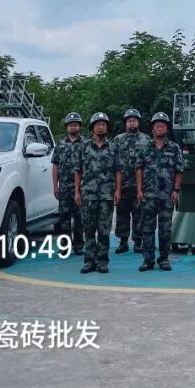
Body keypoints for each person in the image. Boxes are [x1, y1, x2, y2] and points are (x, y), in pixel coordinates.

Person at [136, 111, 185, 272]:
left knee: (165, 231)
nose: (159, 128)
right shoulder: (145, 147)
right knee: (147, 230)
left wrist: (176, 190)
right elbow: (139, 169)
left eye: (162, 126)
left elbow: (179, 170)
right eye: (157, 126)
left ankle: (164, 259)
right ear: (153, 129)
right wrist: (139, 190)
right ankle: (148, 260)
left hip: (167, 196)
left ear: (167, 129)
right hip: (148, 195)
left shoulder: (174, 148)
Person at [74, 112, 121, 274]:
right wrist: (77, 191)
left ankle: (102, 261)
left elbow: (118, 170)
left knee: (104, 229)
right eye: (98, 124)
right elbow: (78, 171)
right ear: (92, 127)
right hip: (88, 194)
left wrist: (118, 190)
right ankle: (89, 261)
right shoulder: (84, 147)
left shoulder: (113, 147)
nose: (101, 127)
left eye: (103, 124)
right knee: (88, 229)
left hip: (107, 195)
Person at [113, 108, 150, 254]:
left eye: (134, 120)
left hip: (140, 185)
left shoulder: (146, 139)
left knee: (139, 215)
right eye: (129, 120)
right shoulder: (118, 139)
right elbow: (114, 162)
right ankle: (123, 242)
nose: (132, 122)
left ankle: (138, 242)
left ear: (138, 122)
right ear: (125, 123)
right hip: (122, 184)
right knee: (122, 215)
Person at [52, 112, 85, 256]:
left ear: (79, 127)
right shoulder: (60, 144)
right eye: (71, 125)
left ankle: (78, 245)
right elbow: (55, 165)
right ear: (67, 127)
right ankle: (64, 246)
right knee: (64, 218)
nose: (73, 127)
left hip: (81, 187)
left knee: (79, 218)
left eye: (75, 125)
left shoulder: (85, 144)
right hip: (65, 187)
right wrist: (55, 185)